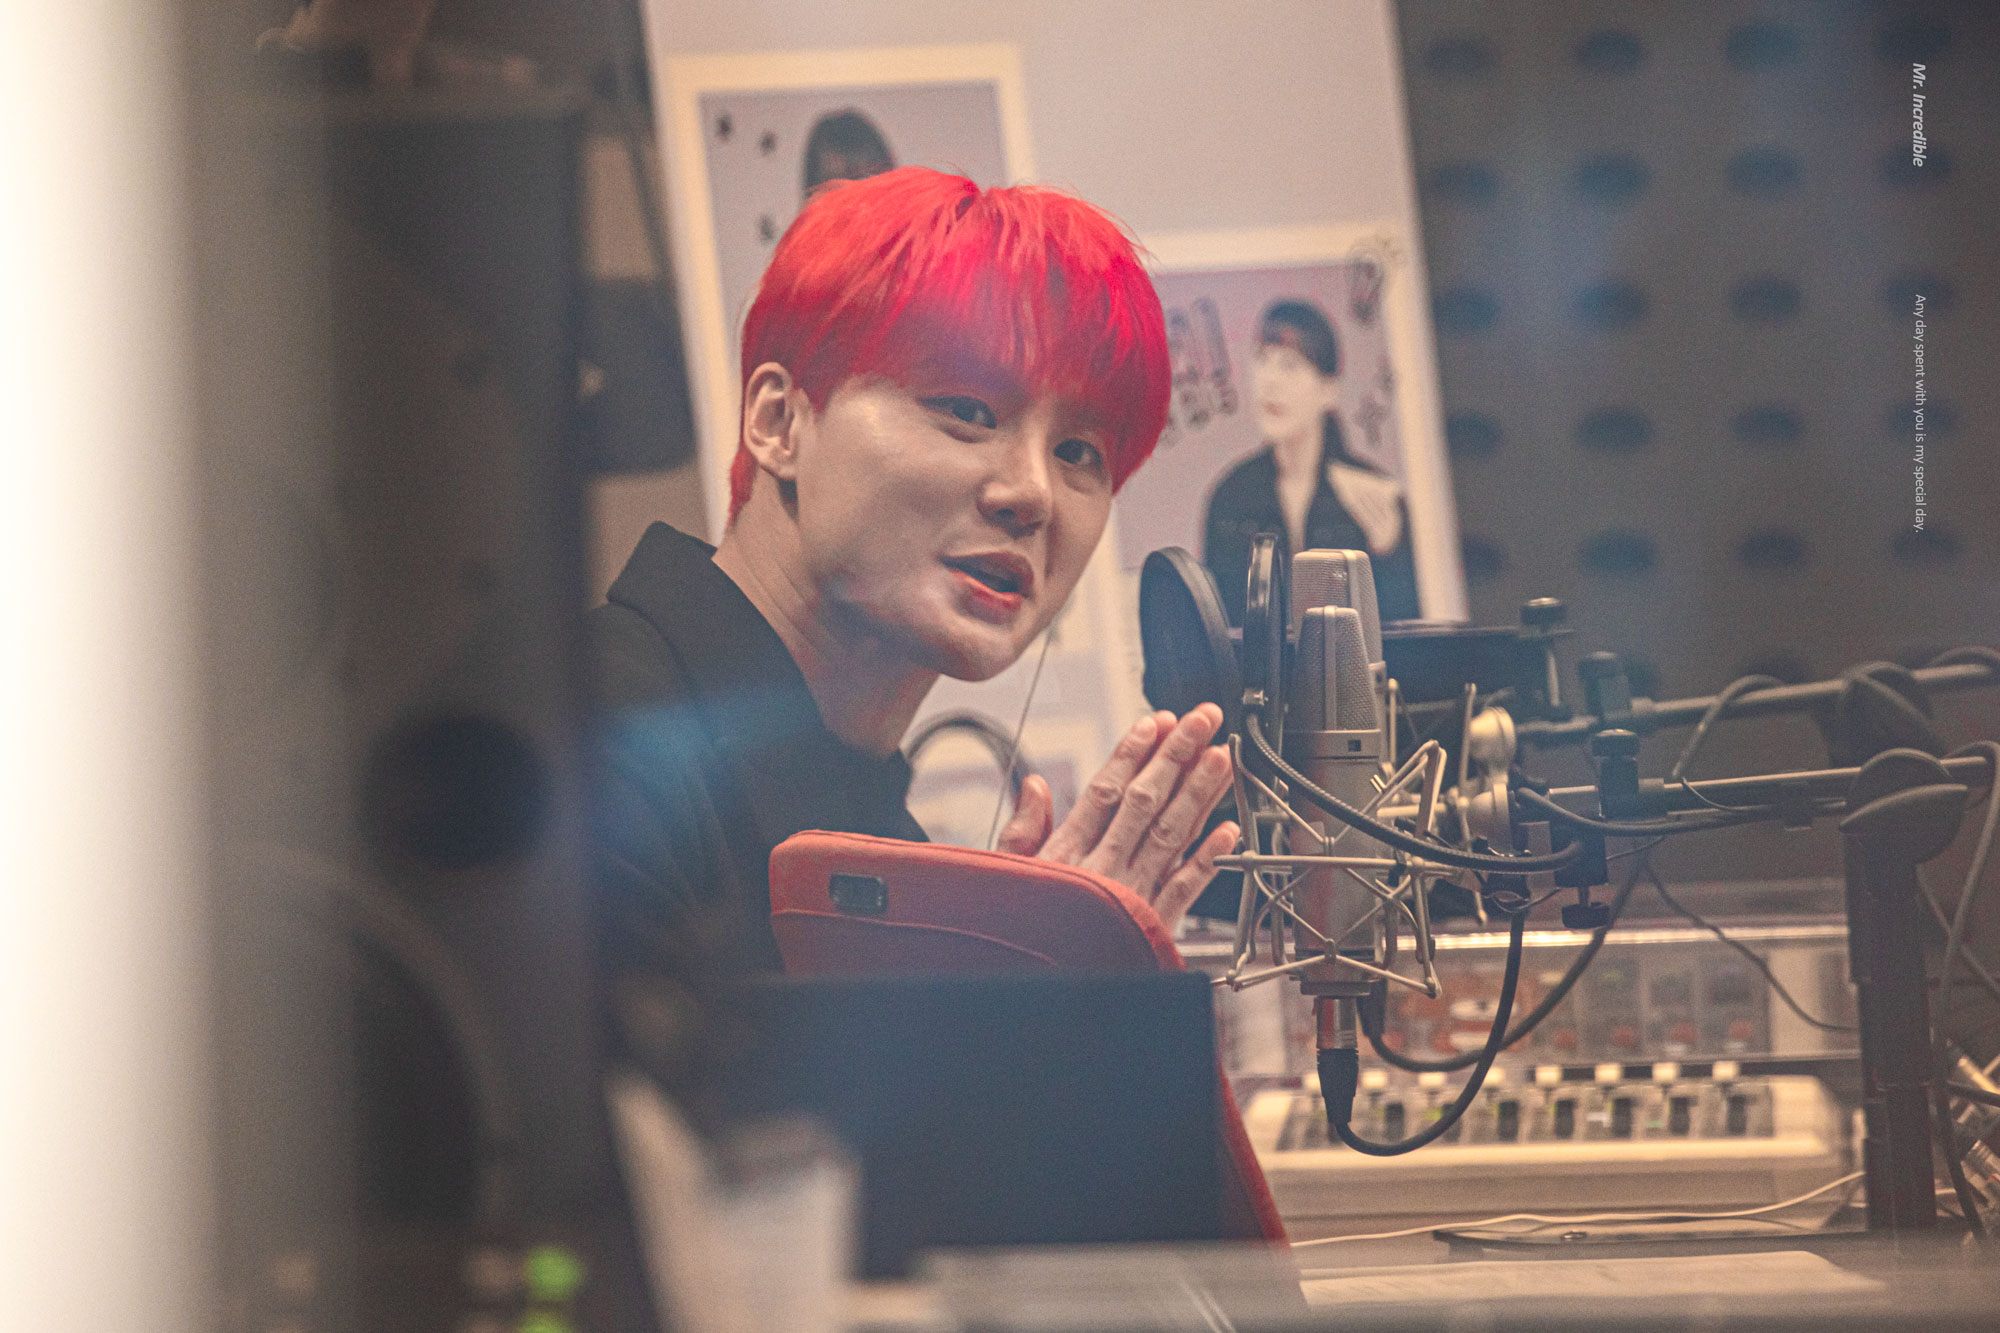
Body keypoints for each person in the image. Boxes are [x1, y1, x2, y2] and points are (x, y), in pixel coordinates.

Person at [589, 168, 1240, 1078]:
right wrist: (1005, 1028)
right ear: (779, 422)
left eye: (1079, 451)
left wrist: (1013, 1003)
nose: (1031, 493)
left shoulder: (869, 826)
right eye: (967, 411)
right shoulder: (597, 743)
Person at [1200, 298, 1419, 625]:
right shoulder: (1230, 496)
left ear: (1329, 390)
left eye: (1289, 365)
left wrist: (1388, 550)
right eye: (1262, 359)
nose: (1269, 380)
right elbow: (1219, 630)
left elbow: (1406, 628)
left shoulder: (1373, 493)